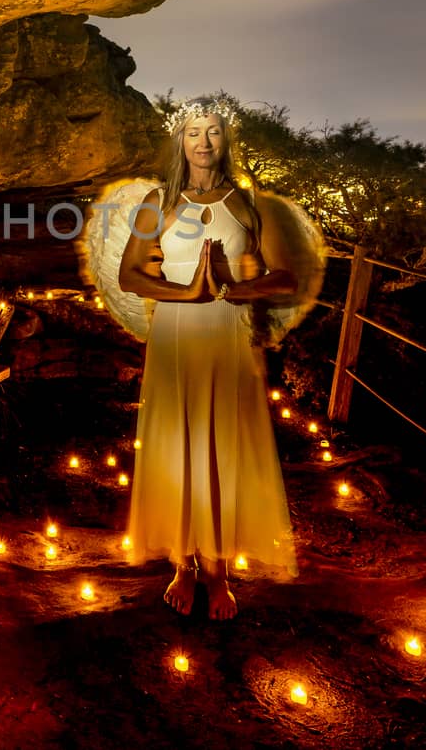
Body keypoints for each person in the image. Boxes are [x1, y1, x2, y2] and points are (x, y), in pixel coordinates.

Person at [117, 98, 301, 619]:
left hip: (227, 335)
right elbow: (132, 276)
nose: (203, 141)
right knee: (177, 445)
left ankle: (218, 571)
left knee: (222, 446)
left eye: (213, 131)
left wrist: (229, 290)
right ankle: (183, 564)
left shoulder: (248, 204)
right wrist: (188, 293)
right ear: (180, 141)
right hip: (175, 334)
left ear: (226, 141)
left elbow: (285, 277)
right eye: (194, 132)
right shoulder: (160, 202)